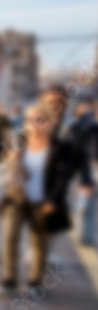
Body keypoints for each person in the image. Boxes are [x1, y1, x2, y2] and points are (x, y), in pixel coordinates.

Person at [0, 104, 81, 295]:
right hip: (17, 197)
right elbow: (5, 165)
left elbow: (63, 177)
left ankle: (34, 283)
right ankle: (9, 279)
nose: (34, 124)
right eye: (31, 119)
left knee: (39, 242)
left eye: (40, 119)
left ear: (50, 123)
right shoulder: (20, 142)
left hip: (43, 201)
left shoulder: (60, 148)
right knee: (9, 237)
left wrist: (54, 201)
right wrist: (11, 158)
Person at [70, 100, 98, 246]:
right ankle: (82, 234)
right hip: (90, 165)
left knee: (91, 203)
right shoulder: (88, 125)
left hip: (90, 165)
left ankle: (86, 236)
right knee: (84, 200)